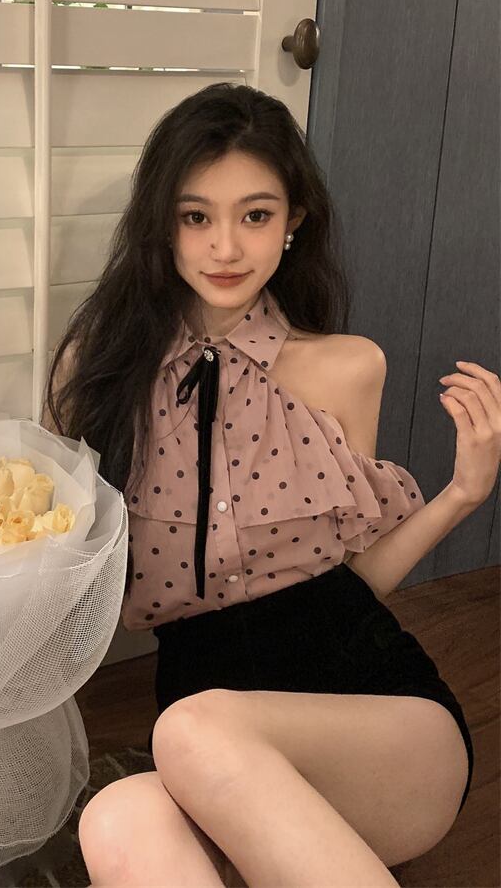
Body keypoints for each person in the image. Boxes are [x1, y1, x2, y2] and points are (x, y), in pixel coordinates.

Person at [40, 83, 498, 887]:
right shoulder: (102, 370)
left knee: (189, 730)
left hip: (378, 727)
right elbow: (48, 551)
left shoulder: (346, 367)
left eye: (255, 215)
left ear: (294, 222)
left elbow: (351, 579)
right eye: (196, 216)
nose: (225, 246)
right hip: (212, 754)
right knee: (116, 819)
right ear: (162, 227)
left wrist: (462, 493)